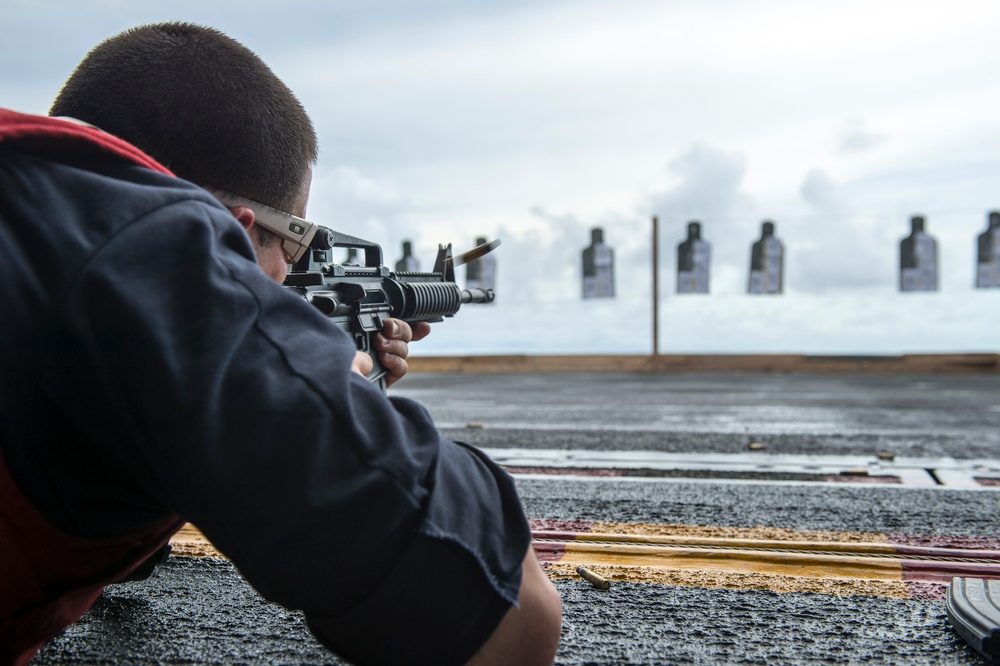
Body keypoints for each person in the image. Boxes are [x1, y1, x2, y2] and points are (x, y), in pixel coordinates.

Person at [0, 22, 561, 665]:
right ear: (237, 234)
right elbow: (512, 614)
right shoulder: (160, 254)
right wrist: (334, 389)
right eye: (293, 247)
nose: (290, 278)